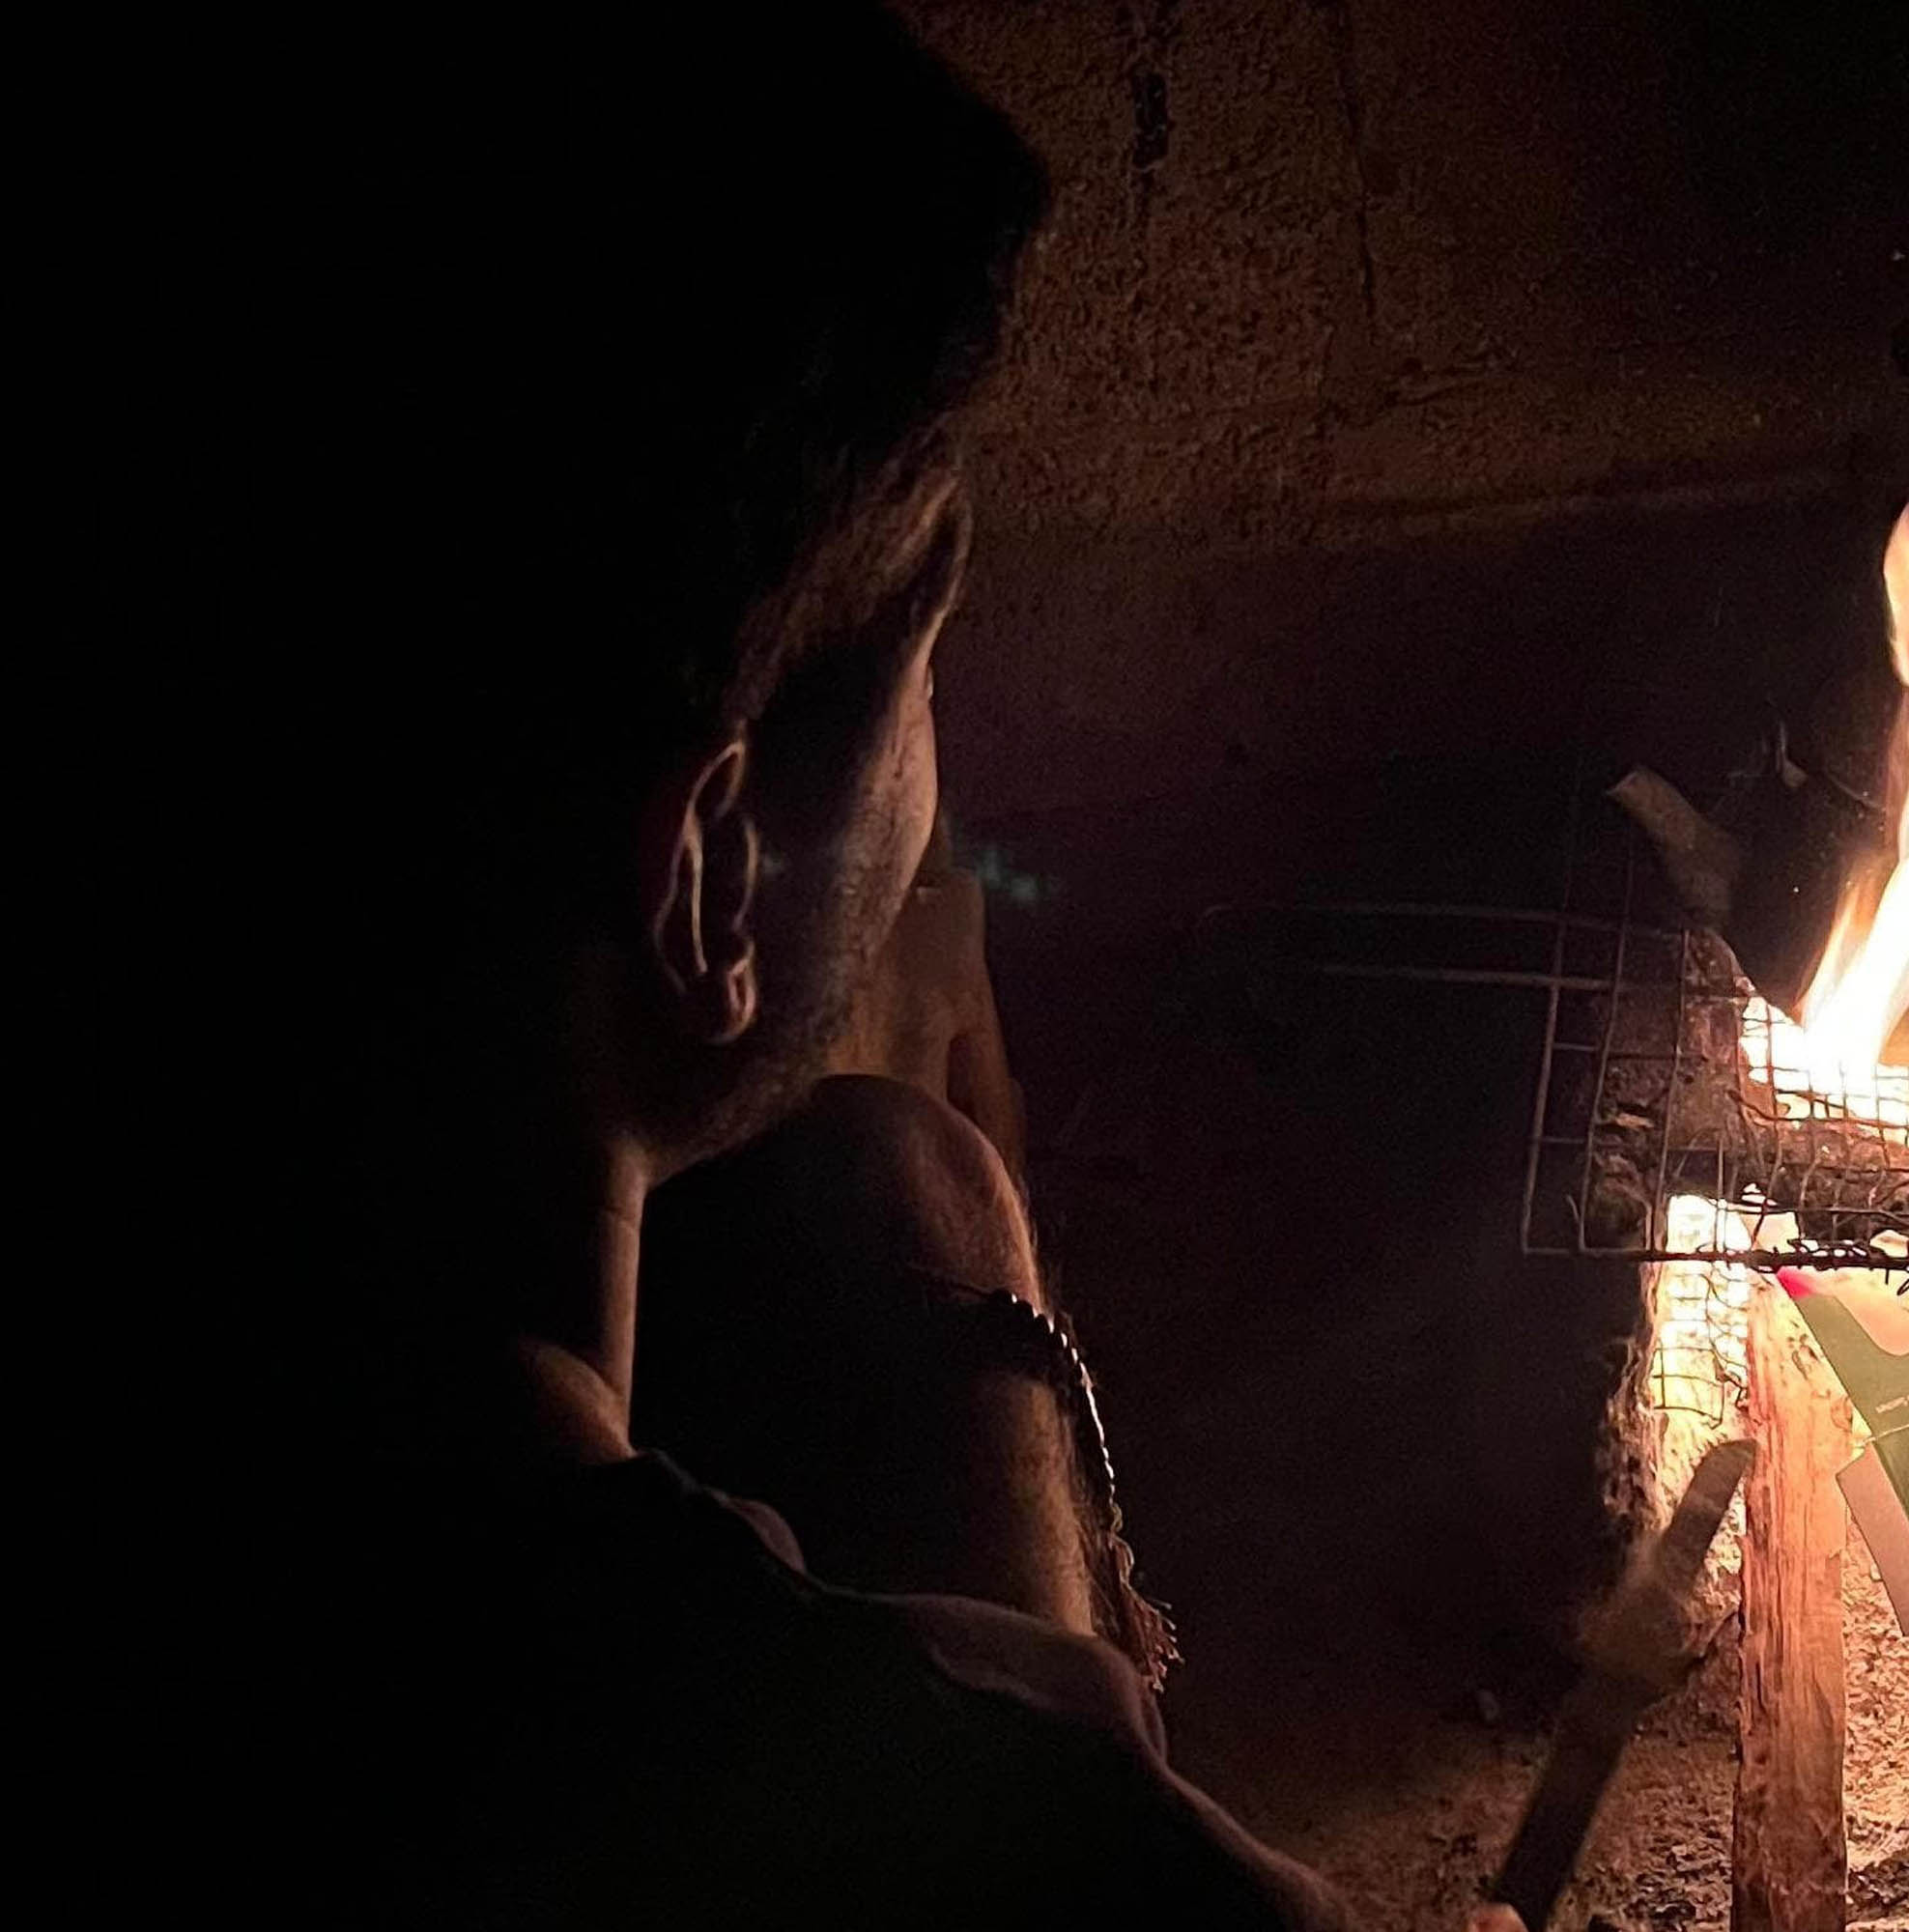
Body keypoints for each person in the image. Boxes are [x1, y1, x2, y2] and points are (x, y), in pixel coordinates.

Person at [286, 4, 1523, 1923]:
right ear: (707, 880)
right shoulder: (996, 1820)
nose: (939, 784)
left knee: (893, 1168)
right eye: (934, 665)